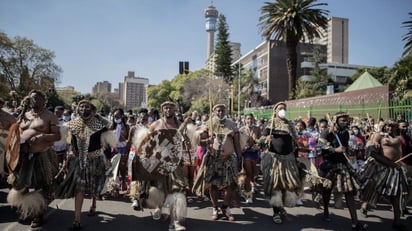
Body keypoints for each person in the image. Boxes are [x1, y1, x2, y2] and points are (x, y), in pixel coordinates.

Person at [55, 99, 116, 230]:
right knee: (79, 188)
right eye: (81, 106)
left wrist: (97, 115)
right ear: (77, 109)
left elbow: (112, 126)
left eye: (87, 106)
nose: (83, 108)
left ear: (92, 109)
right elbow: (70, 142)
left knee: (94, 186)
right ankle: (77, 220)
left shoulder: (98, 123)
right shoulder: (72, 124)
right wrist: (69, 155)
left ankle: (94, 204)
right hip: (78, 161)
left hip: (95, 159)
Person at [6, 90, 61, 229]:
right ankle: (27, 208)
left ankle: (38, 213)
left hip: (42, 155)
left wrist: (43, 137)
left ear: (44, 100)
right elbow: (15, 132)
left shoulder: (50, 116)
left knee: (42, 185)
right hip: (24, 156)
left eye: (37, 98)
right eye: (31, 97)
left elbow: (57, 136)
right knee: (20, 185)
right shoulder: (24, 115)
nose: (33, 100)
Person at [134, 101, 187, 231]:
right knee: (159, 189)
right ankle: (158, 207)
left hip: (175, 164)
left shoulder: (180, 125)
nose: (168, 109)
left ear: (174, 109)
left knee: (176, 190)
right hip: (159, 164)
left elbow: (187, 144)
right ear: (162, 110)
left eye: (170, 107)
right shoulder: (156, 124)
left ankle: (174, 222)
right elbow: (146, 142)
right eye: (165, 108)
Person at [193, 104, 242, 221]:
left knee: (232, 185)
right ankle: (215, 207)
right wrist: (206, 140)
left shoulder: (232, 124)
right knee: (213, 185)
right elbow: (200, 142)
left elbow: (237, 143)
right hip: (213, 159)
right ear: (214, 112)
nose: (220, 112)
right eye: (218, 110)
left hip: (229, 159)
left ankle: (225, 207)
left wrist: (240, 158)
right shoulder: (208, 124)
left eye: (223, 110)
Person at [319, 112, 367, 230]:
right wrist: (334, 149)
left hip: (343, 167)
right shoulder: (327, 132)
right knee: (327, 191)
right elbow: (319, 147)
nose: (345, 123)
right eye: (342, 121)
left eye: (346, 121)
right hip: (330, 166)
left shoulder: (345, 133)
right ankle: (325, 210)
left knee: (349, 193)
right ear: (336, 121)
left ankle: (355, 222)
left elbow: (345, 148)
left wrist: (347, 151)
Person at [260, 102, 301, 224]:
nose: (283, 110)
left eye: (284, 108)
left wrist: (296, 158)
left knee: (288, 186)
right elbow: (261, 140)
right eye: (280, 108)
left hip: (289, 160)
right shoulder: (271, 123)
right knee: (275, 186)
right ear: (275, 111)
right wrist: (266, 139)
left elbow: (295, 143)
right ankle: (276, 212)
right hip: (274, 160)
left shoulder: (289, 124)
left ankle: (280, 206)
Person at [358, 132, 408, 231]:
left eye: (393, 126)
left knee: (396, 194)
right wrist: (388, 162)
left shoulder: (398, 136)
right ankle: (364, 206)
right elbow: (371, 152)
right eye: (388, 126)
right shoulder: (378, 135)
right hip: (379, 168)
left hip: (395, 169)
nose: (390, 128)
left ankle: (397, 221)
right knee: (371, 189)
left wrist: (395, 164)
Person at [239, 113, 261, 204]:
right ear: (245, 120)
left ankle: (252, 185)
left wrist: (258, 145)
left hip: (255, 153)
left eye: (251, 119)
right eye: (248, 119)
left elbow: (260, 140)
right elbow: (239, 142)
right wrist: (242, 149)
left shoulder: (257, 129)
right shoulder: (241, 129)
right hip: (246, 153)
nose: (249, 120)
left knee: (253, 172)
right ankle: (248, 194)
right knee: (248, 173)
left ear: (253, 120)